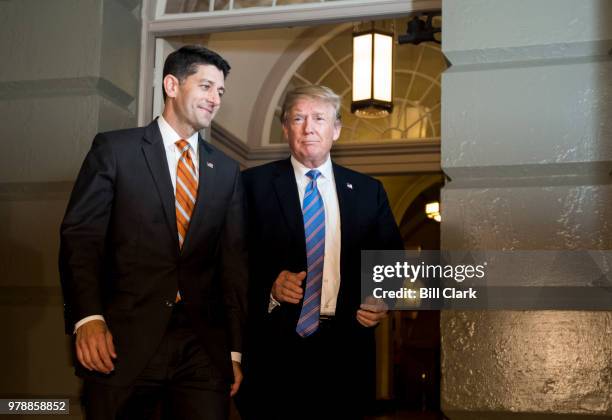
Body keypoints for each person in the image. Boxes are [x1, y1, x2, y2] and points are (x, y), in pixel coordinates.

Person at [59, 45, 247, 420]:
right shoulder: (115, 150)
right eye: (207, 86)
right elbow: (81, 239)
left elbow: (233, 263)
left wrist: (233, 352)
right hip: (121, 341)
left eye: (221, 92)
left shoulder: (226, 170)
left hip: (202, 348)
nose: (215, 99)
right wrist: (88, 318)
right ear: (172, 85)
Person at [238, 85, 403, 419]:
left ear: (336, 129)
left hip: (346, 353)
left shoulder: (369, 192)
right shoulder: (250, 185)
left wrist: (382, 299)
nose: (308, 127)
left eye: (318, 118)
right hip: (274, 354)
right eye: (298, 118)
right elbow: (229, 261)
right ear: (285, 129)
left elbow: (392, 262)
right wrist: (269, 286)